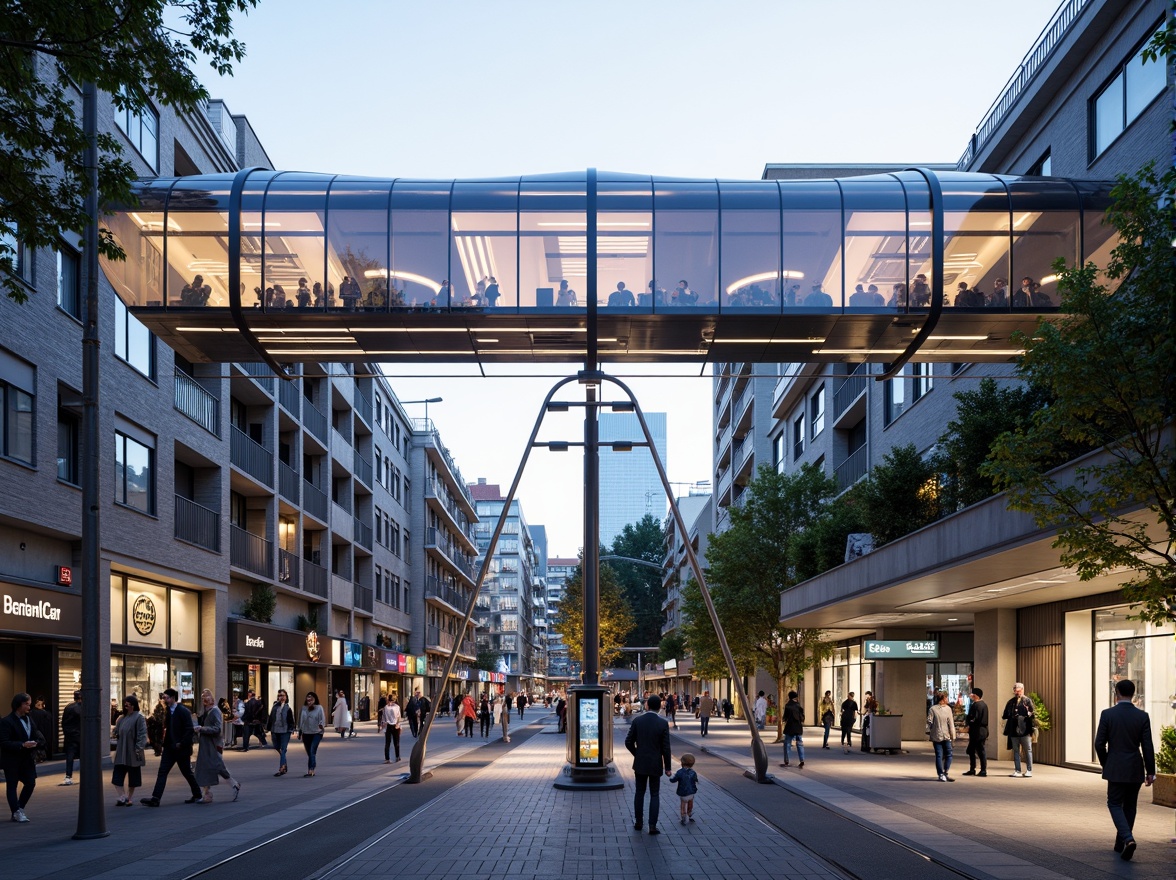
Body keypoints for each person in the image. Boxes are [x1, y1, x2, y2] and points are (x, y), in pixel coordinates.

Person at [1095, 678, 1156, 861]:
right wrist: (1150, 771)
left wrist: (1107, 763)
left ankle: (1128, 839)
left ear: (1117, 694)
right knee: (1130, 805)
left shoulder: (1107, 714)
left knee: (1114, 803)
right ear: (1133, 694)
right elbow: (1147, 746)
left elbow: (1099, 744)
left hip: (1116, 766)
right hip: (1135, 767)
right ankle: (1120, 843)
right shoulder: (1142, 716)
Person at [140, 687, 202, 807]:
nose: (164, 700)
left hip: (181, 749)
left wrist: (182, 743)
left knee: (187, 772)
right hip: (169, 748)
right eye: (163, 698)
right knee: (162, 772)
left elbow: (189, 729)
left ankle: (197, 794)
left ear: (173, 698)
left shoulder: (183, 711)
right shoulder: (167, 710)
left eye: (166, 698)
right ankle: (155, 798)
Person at [625, 694, 672, 835]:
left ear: (647, 705)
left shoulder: (637, 721)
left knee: (639, 792)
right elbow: (666, 747)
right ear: (659, 707)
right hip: (655, 763)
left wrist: (637, 754)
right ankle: (652, 826)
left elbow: (628, 742)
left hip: (640, 763)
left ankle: (639, 822)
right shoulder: (663, 723)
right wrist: (668, 767)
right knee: (654, 794)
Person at [1, 692, 46, 822]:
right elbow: (4, 742)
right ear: (18, 705)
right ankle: (16, 811)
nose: (29, 707)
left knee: (30, 783)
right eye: (26, 704)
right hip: (12, 759)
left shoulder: (29, 719)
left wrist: (36, 742)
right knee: (12, 785)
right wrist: (22, 744)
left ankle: (20, 808)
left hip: (27, 758)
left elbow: (35, 732)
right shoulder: (6, 721)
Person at [193, 689, 240, 804]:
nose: (204, 699)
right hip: (207, 744)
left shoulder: (214, 711)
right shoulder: (206, 711)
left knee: (217, 766)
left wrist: (202, 729)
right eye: (203, 697)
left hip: (213, 744)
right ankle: (207, 793)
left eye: (207, 696)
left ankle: (233, 785)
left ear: (212, 698)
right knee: (206, 767)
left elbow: (218, 729)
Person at [111, 694, 147, 806]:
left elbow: (142, 734)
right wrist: (115, 731)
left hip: (133, 751)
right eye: (125, 705)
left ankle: (129, 797)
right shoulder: (121, 718)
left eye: (129, 705)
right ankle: (122, 796)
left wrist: (138, 748)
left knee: (133, 777)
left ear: (133, 705)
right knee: (117, 776)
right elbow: (116, 732)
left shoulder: (139, 717)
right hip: (122, 750)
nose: (127, 707)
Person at [1001, 682, 1035, 777]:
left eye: (1019, 691)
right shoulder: (1011, 702)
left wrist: (1023, 715)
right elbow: (1005, 715)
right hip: (1013, 729)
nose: (1017, 693)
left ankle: (1029, 770)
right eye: (1015, 691)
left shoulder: (1027, 701)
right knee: (1016, 750)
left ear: (1023, 690)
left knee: (1028, 750)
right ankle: (1017, 770)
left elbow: (1032, 714)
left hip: (1025, 730)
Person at [927, 691, 956, 782]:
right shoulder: (948, 709)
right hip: (946, 735)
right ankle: (944, 772)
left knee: (939, 755)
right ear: (943, 699)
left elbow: (929, 721)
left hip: (937, 735)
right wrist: (953, 736)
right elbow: (951, 724)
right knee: (948, 754)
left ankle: (941, 774)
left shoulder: (932, 709)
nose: (947, 699)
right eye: (946, 698)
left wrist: (932, 728)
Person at [296, 691, 326, 777]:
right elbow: (300, 720)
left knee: (312, 750)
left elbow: (322, 719)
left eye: (311, 700)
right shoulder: (303, 708)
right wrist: (299, 730)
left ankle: (311, 769)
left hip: (317, 733)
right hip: (306, 732)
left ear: (315, 700)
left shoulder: (319, 708)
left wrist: (321, 725)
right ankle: (312, 765)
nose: (309, 701)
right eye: (308, 700)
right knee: (309, 752)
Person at [267, 689, 295, 776]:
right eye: (279, 695)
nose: (281, 697)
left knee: (283, 749)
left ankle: (282, 767)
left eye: (283, 695)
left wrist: (292, 729)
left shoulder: (288, 708)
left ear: (286, 697)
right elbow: (271, 718)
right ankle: (284, 764)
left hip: (285, 731)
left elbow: (291, 720)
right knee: (277, 747)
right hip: (275, 730)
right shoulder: (275, 707)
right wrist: (268, 728)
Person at [963, 687, 989, 776]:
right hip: (982, 731)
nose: (970, 695)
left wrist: (969, 722)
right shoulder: (983, 705)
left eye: (972, 694)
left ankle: (981, 770)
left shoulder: (977, 705)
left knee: (978, 750)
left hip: (977, 731)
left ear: (976, 696)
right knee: (973, 750)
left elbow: (975, 718)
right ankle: (977, 769)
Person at [668, 752, 699, 825]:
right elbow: (695, 779)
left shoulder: (679, 772)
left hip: (682, 792)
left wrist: (671, 778)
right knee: (690, 802)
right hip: (691, 792)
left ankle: (683, 816)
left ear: (682, 762)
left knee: (683, 804)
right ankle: (689, 813)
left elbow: (674, 779)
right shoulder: (693, 772)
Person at [59, 689, 82, 785]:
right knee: (84, 756)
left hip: (69, 736)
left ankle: (68, 776)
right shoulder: (81, 708)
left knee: (70, 756)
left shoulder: (68, 707)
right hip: (79, 735)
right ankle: (85, 775)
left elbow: (63, 722)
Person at [781, 691, 805, 768]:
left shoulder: (787, 705)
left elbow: (785, 717)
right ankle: (802, 760)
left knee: (787, 744)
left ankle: (787, 761)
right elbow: (802, 717)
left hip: (790, 727)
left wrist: (783, 720)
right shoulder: (799, 706)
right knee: (800, 744)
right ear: (796, 697)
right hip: (798, 727)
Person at [378, 694, 402, 763]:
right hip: (395, 725)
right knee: (396, 742)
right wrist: (399, 725)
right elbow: (398, 717)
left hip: (388, 725)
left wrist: (383, 725)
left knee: (387, 743)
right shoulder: (397, 707)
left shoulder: (385, 707)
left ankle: (387, 758)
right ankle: (397, 757)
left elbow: (384, 718)